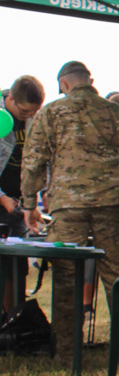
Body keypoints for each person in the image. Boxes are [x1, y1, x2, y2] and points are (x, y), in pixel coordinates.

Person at [20, 61, 119, 364]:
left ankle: (66, 353)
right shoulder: (116, 113)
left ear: (63, 84)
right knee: (118, 277)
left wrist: (29, 204)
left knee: (66, 278)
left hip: (68, 206)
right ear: (89, 81)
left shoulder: (50, 113)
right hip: (111, 205)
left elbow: (33, 160)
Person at [0, 76, 45, 317]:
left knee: (17, 265)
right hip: (4, 201)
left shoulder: (32, 122)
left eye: (34, 112)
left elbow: (33, 165)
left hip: (16, 204)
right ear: (10, 99)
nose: (30, 116)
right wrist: (2, 198)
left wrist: (31, 203)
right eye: (26, 111)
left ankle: (14, 321)